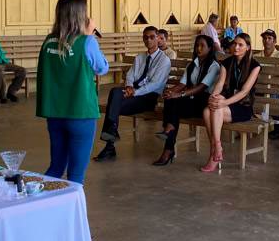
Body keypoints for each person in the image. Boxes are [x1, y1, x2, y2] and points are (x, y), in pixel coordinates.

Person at [37, 0, 109, 183]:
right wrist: (89, 36)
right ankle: (72, 213)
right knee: (76, 174)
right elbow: (102, 68)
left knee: (56, 166)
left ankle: (41, 207)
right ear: (81, 15)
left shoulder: (48, 41)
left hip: (55, 113)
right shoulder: (87, 41)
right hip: (80, 112)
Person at [94, 26, 172, 162]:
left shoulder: (164, 60)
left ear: (158, 38)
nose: (148, 40)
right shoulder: (140, 57)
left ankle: (109, 147)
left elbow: (155, 84)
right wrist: (129, 86)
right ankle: (111, 132)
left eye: (152, 37)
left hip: (148, 97)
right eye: (145, 37)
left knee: (114, 104)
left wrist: (135, 92)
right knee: (115, 92)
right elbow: (130, 74)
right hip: (134, 93)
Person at [152, 35, 220, 166]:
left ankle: (168, 145)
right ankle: (169, 132)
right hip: (191, 101)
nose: (198, 48)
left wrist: (179, 94)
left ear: (210, 48)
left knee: (174, 106)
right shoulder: (191, 65)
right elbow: (182, 84)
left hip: (204, 103)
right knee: (170, 99)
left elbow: (201, 88)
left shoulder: (214, 66)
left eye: (202, 46)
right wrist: (171, 91)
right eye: (197, 45)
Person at [200, 33, 262, 172]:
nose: (236, 47)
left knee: (214, 110)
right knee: (207, 110)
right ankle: (217, 148)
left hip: (243, 106)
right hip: (226, 103)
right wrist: (214, 96)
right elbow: (220, 84)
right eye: (235, 44)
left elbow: (245, 91)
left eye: (241, 45)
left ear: (248, 48)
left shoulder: (255, 65)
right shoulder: (227, 62)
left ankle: (214, 151)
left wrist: (224, 102)